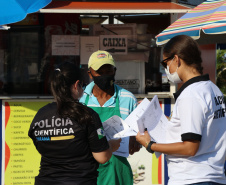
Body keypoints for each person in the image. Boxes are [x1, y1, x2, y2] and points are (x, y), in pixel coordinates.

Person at [136, 35, 226, 185]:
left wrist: (150, 145)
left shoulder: (190, 94)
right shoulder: (212, 89)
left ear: (176, 60)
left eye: (165, 63)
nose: (166, 70)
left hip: (192, 178)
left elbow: (190, 148)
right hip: (213, 177)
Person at [28, 62, 121, 185]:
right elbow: (102, 157)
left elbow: (40, 146)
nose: (83, 88)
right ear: (76, 85)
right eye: (83, 85)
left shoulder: (40, 115)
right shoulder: (87, 115)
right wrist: (112, 145)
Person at [79, 50, 140, 185]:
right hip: (87, 171)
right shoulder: (80, 99)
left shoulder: (128, 98)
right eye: (100, 72)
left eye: (109, 71)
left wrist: (136, 140)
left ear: (115, 71)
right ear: (90, 73)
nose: (105, 75)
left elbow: (137, 134)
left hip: (118, 171)